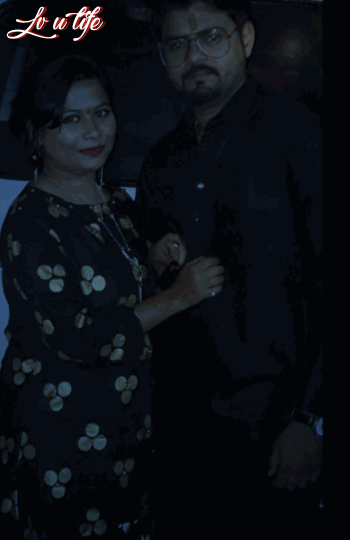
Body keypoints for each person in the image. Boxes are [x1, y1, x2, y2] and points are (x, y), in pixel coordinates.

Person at [0, 53, 225, 540]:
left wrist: (153, 258)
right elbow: (80, 339)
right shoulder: (31, 223)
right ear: (36, 132)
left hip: (124, 422)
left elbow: (118, 284)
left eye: (101, 112)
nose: (93, 131)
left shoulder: (110, 197)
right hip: (62, 430)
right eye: (71, 119)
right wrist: (179, 296)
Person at [137, 1, 323, 536]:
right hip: (178, 429)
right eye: (177, 44)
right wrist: (153, 260)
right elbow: (152, 284)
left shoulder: (302, 136)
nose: (194, 55)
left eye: (211, 37)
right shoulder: (160, 160)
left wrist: (312, 421)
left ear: (245, 39)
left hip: (273, 429)